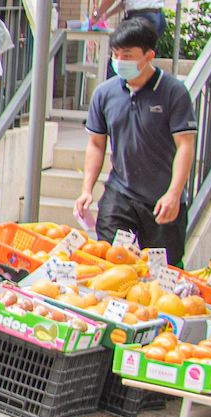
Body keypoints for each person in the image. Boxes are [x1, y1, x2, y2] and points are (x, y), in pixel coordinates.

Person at [77, 16, 197, 261]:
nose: (120, 61)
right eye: (116, 54)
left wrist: (174, 193)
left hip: (161, 202)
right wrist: (86, 189)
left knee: (161, 274)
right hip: (120, 195)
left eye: (128, 56)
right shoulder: (105, 93)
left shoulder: (173, 93)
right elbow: (96, 144)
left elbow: (185, 145)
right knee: (112, 262)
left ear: (149, 55)